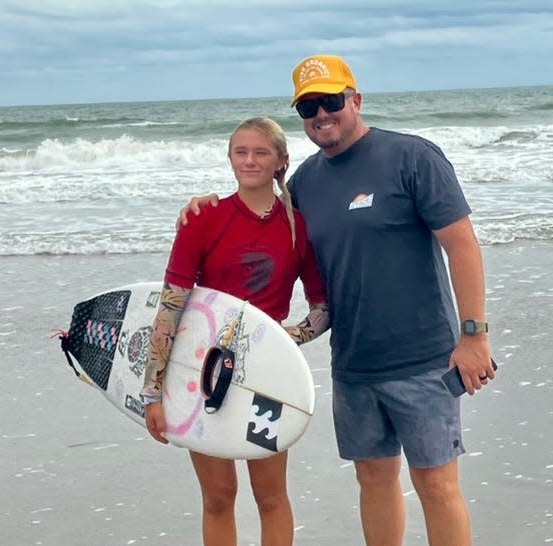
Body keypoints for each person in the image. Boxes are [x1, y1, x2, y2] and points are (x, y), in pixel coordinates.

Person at [179, 55, 495, 546]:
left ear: (356, 99)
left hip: (424, 360)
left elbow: (462, 243)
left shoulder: (412, 158)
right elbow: (256, 215)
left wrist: (473, 336)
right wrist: (205, 203)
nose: (321, 115)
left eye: (330, 101)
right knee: (373, 479)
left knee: (435, 484)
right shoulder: (305, 183)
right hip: (353, 366)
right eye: (309, 107)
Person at [141, 117, 329, 546]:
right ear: (229, 159)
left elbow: (322, 307)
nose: (250, 160)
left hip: (266, 379)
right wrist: (152, 392)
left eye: (261, 152)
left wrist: (287, 339)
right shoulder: (203, 219)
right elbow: (171, 307)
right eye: (240, 152)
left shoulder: (298, 228)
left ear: (282, 161)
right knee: (218, 496)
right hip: (200, 374)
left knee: (271, 496)